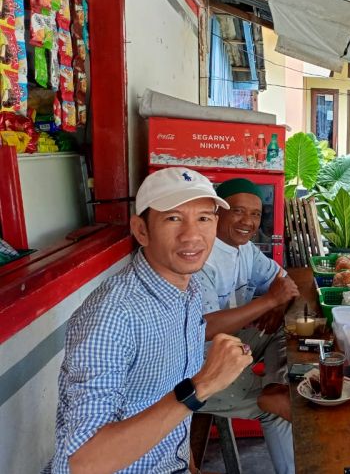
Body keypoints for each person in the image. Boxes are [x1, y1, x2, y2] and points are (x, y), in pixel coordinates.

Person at [44, 167, 252, 474]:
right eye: (173, 218)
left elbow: (174, 413)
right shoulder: (113, 315)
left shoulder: (189, 291)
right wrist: (201, 386)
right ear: (141, 230)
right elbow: (85, 461)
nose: (192, 235)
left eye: (203, 218)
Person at [196, 178, 297, 474]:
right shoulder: (200, 256)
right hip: (198, 366)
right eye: (238, 211)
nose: (248, 222)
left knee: (287, 327)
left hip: (233, 344)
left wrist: (277, 305)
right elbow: (205, 328)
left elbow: (285, 282)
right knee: (280, 412)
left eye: (255, 214)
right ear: (217, 213)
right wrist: (270, 301)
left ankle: (275, 386)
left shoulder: (246, 250)